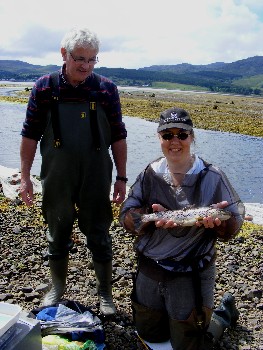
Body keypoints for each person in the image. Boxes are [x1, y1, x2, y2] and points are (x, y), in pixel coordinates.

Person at [19, 26, 128, 316]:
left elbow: (118, 135)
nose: (86, 66)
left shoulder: (106, 89)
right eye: (80, 58)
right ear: (64, 54)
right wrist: (26, 177)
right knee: (57, 230)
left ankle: (105, 293)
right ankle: (57, 288)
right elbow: (29, 134)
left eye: (92, 60)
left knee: (100, 232)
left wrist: (121, 177)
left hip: (96, 172)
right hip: (57, 173)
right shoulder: (45, 87)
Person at [119, 107, 244, 349]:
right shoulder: (149, 173)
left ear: (192, 137)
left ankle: (222, 316)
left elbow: (234, 223)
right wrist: (149, 219)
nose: (174, 141)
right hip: (150, 269)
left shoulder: (213, 176)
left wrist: (220, 224)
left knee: (191, 342)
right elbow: (126, 215)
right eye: (167, 135)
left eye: (182, 134)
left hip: (191, 272)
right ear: (159, 138)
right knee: (150, 336)